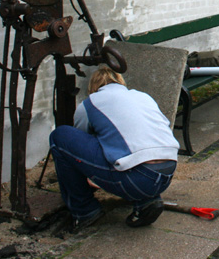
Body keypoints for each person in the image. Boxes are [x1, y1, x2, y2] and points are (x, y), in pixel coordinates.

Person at [49, 67, 179, 232]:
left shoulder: (90, 103)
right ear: (120, 82)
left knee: (60, 136)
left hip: (135, 179)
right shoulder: (142, 96)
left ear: (93, 87)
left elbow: (78, 143)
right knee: (135, 149)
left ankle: (84, 210)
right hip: (167, 173)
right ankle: (146, 201)